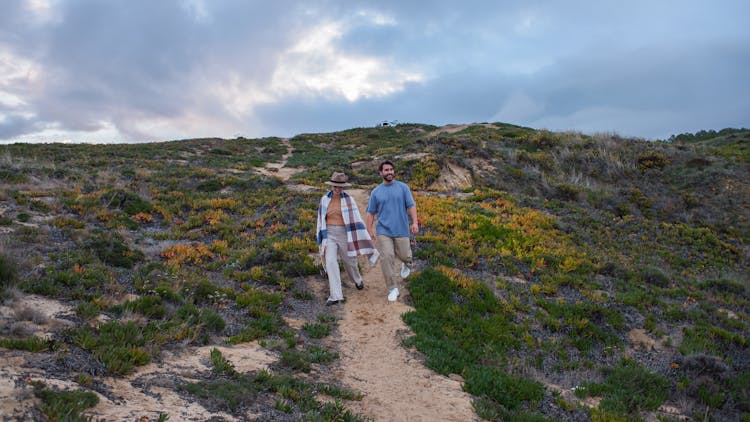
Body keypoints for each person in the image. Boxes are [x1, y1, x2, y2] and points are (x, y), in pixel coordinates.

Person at [316, 172, 378, 306]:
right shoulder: (325, 199)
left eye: (340, 187)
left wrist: (365, 235)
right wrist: (322, 236)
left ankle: (357, 279)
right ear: (331, 186)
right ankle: (336, 296)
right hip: (330, 234)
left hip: (344, 233)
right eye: (335, 187)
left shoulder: (349, 200)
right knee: (331, 262)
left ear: (343, 187)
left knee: (350, 261)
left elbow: (356, 219)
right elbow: (321, 220)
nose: (337, 189)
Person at [366, 160, 419, 302]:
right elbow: (370, 213)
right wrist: (369, 230)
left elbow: (411, 205)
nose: (389, 172)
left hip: (402, 229)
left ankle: (406, 263)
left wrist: (414, 222)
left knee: (405, 255)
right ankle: (393, 288)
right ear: (381, 173)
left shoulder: (403, 188)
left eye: (391, 170)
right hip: (384, 231)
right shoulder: (376, 192)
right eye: (386, 170)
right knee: (387, 257)